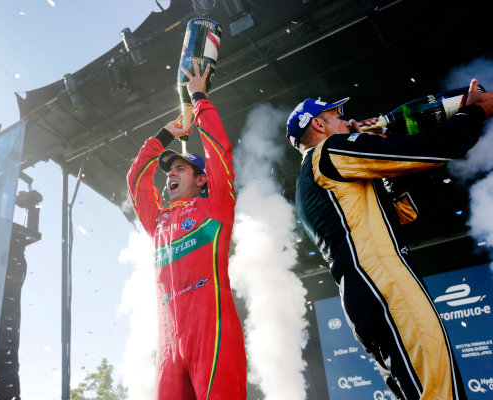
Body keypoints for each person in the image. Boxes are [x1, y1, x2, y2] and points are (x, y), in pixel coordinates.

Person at [287, 79, 493, 400]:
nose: (349, 121)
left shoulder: (313, 174)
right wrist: (473, 113)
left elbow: (404, 213)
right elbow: (432, 150)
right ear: (318, 124)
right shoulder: (327, 152)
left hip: (365, 295)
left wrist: (379, 146)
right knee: (438, 392)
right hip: (385, 285)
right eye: (339, 116)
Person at [126, 61, 246, 400]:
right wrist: (165, 136)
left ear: (201, 179)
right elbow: (136, 179)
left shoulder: (216, 207)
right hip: (168, 348)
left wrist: (199, 98)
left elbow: (218, 151)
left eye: (180, 168)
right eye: (169, 172)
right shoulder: (159, 221)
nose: (171, 175)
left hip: (213, 335)